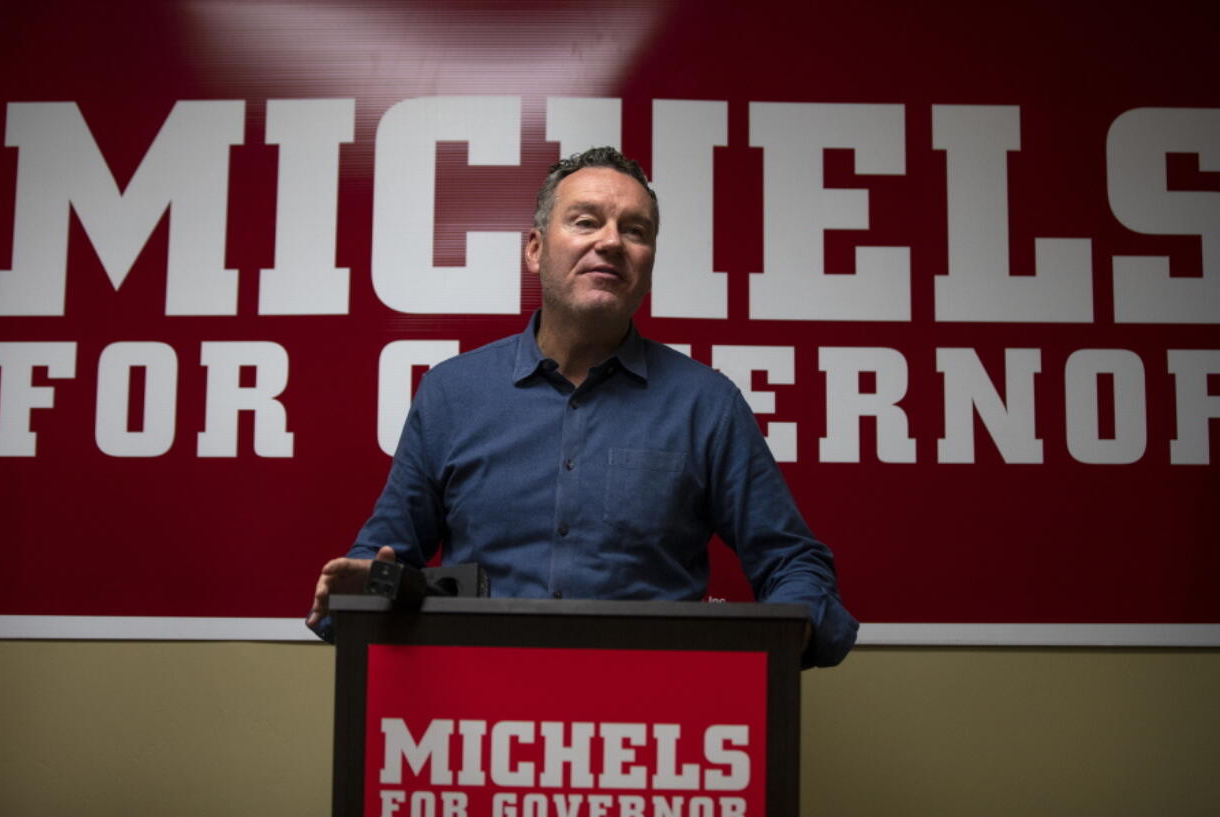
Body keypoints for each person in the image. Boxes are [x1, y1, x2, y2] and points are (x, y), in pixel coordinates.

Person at [307, 147, 858, 667]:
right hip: (476, 721)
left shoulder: (706, 405)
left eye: (635, 230)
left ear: (649, 261)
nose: (613, 242)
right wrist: (358, 589)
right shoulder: (451, 394)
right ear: (534, 248)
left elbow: (795, 563)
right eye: (586, 221)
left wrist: (790, 627)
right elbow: (382, 563)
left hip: (655, 724)